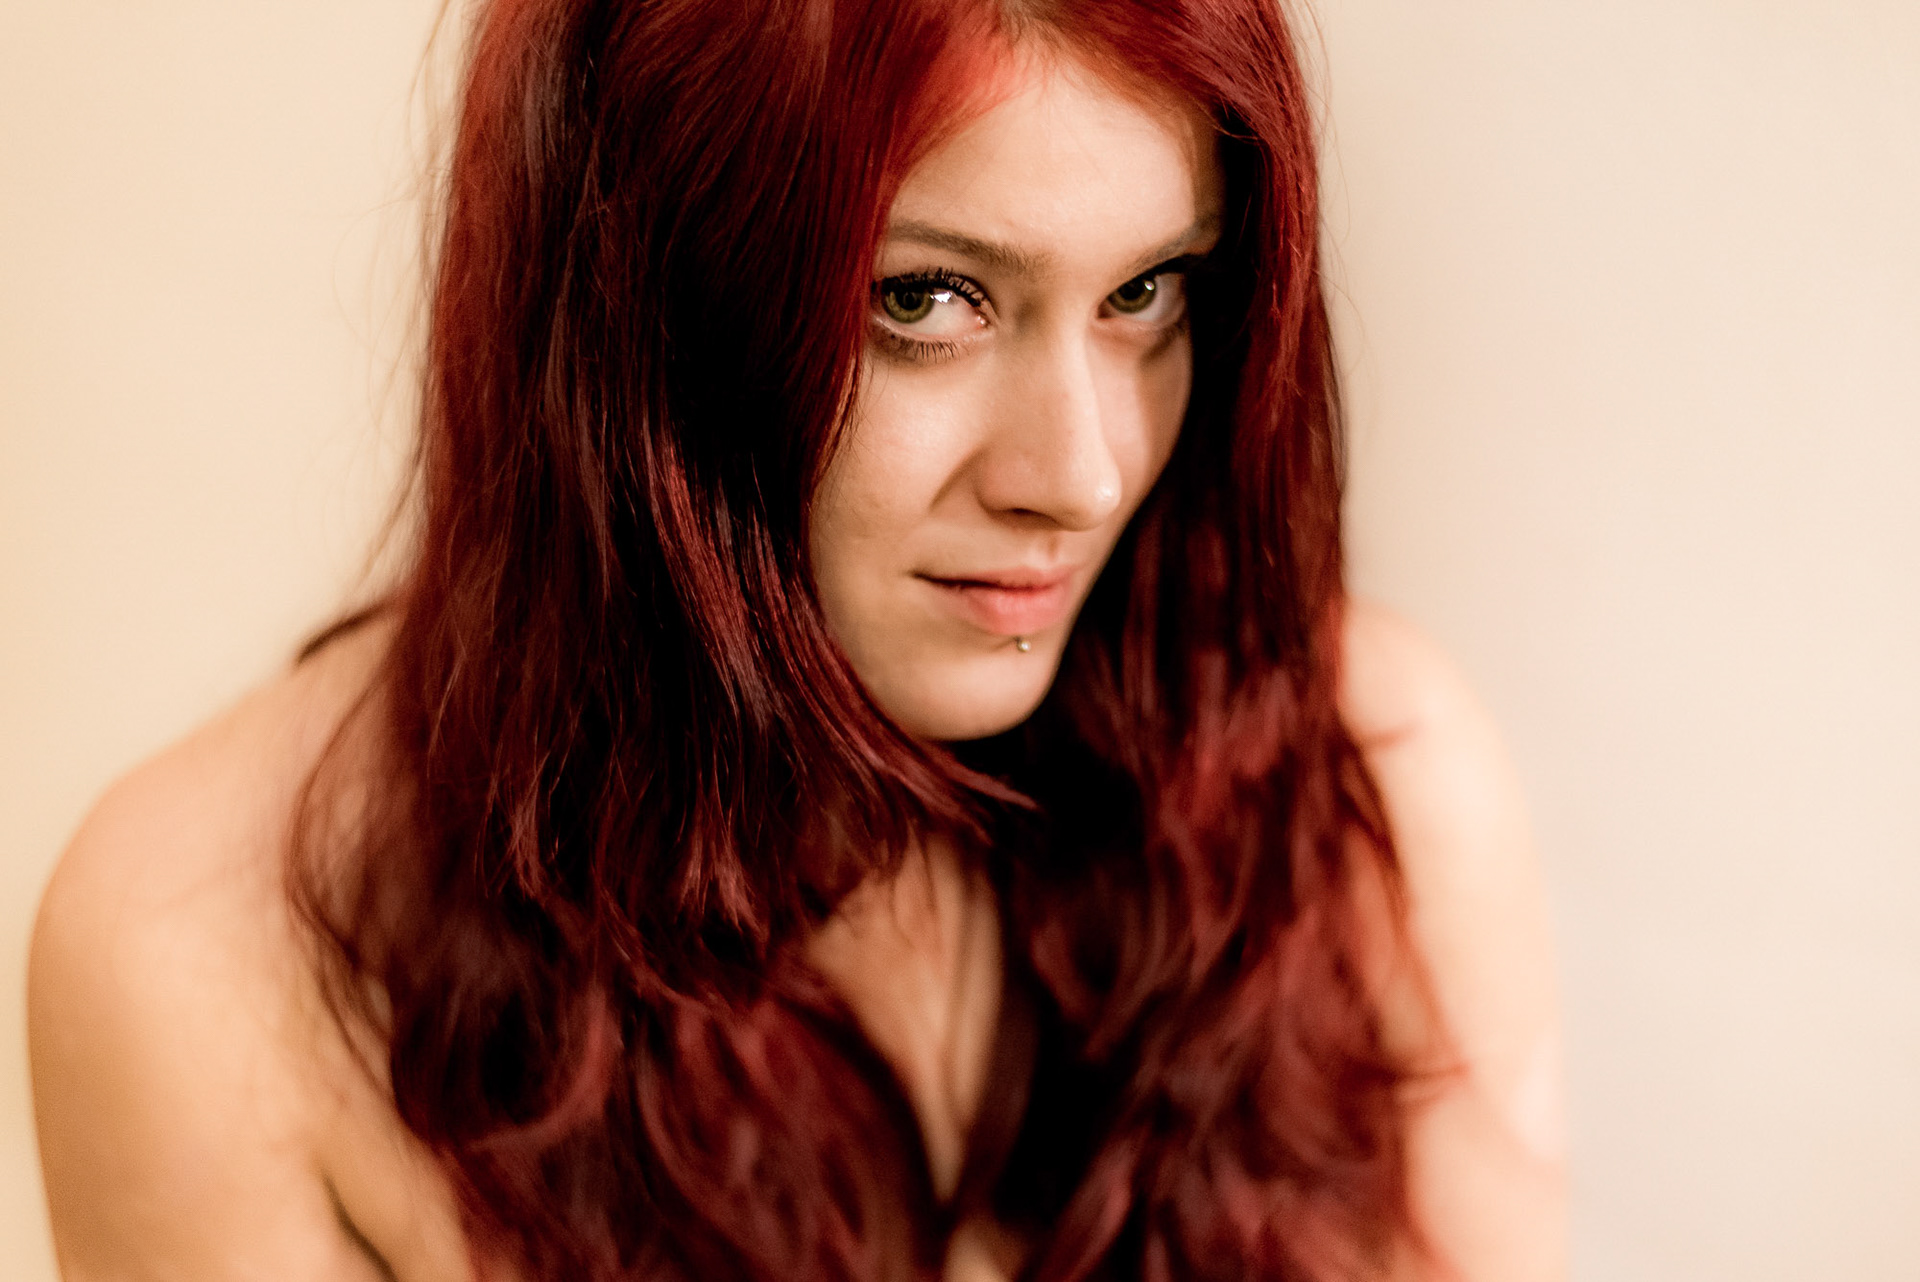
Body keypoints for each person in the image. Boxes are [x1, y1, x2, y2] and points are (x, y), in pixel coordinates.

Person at [28, 1, 1564, 1278]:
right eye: (930, 298)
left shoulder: (1368, 784)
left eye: (1146, 292)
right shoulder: (210, 958)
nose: (1082, 474)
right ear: (640, 292)